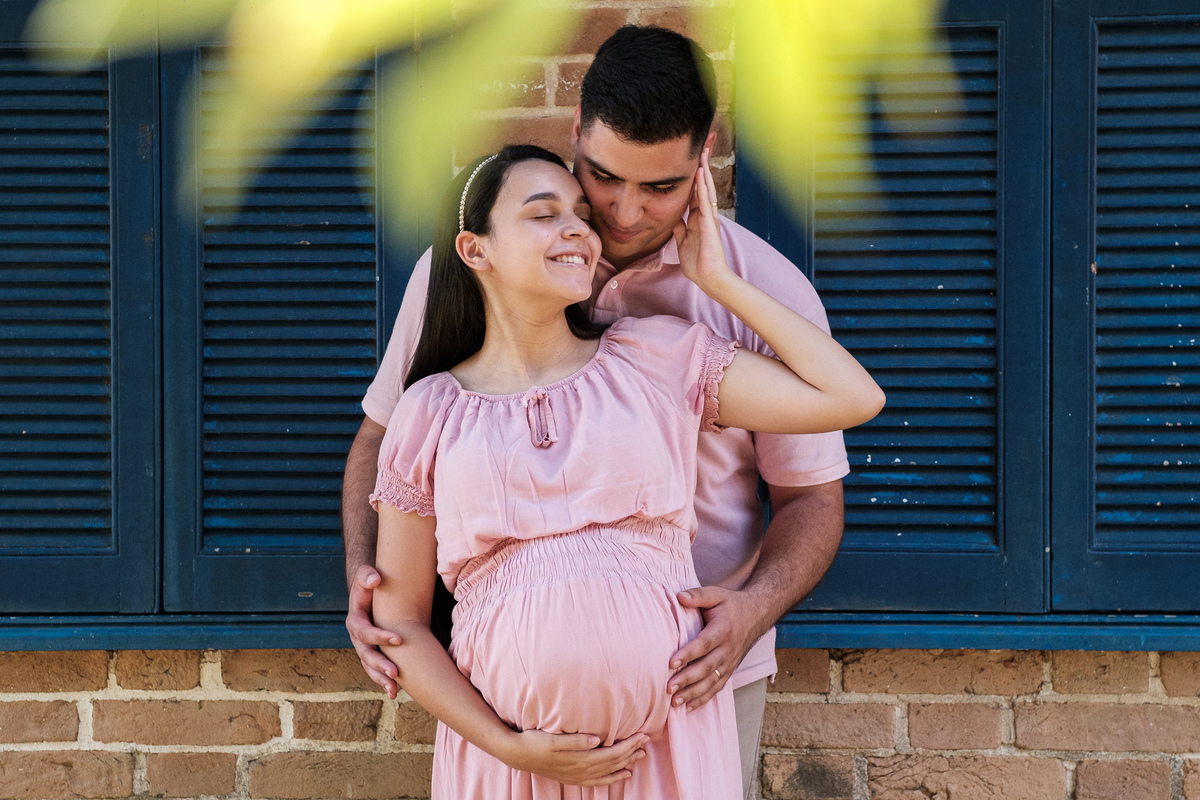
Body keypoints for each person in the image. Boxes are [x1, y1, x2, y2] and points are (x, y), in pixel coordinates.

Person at [342, 25, 852, 795]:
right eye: (602, 178)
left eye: (660, 188)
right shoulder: (466, 273)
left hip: (698, 677)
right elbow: (386, 443)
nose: (621, 211)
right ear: (577, 131)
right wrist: (367, 581)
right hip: (504, 705)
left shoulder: (754, 296)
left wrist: (750, 612)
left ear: (705, 156)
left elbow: (812, 495)